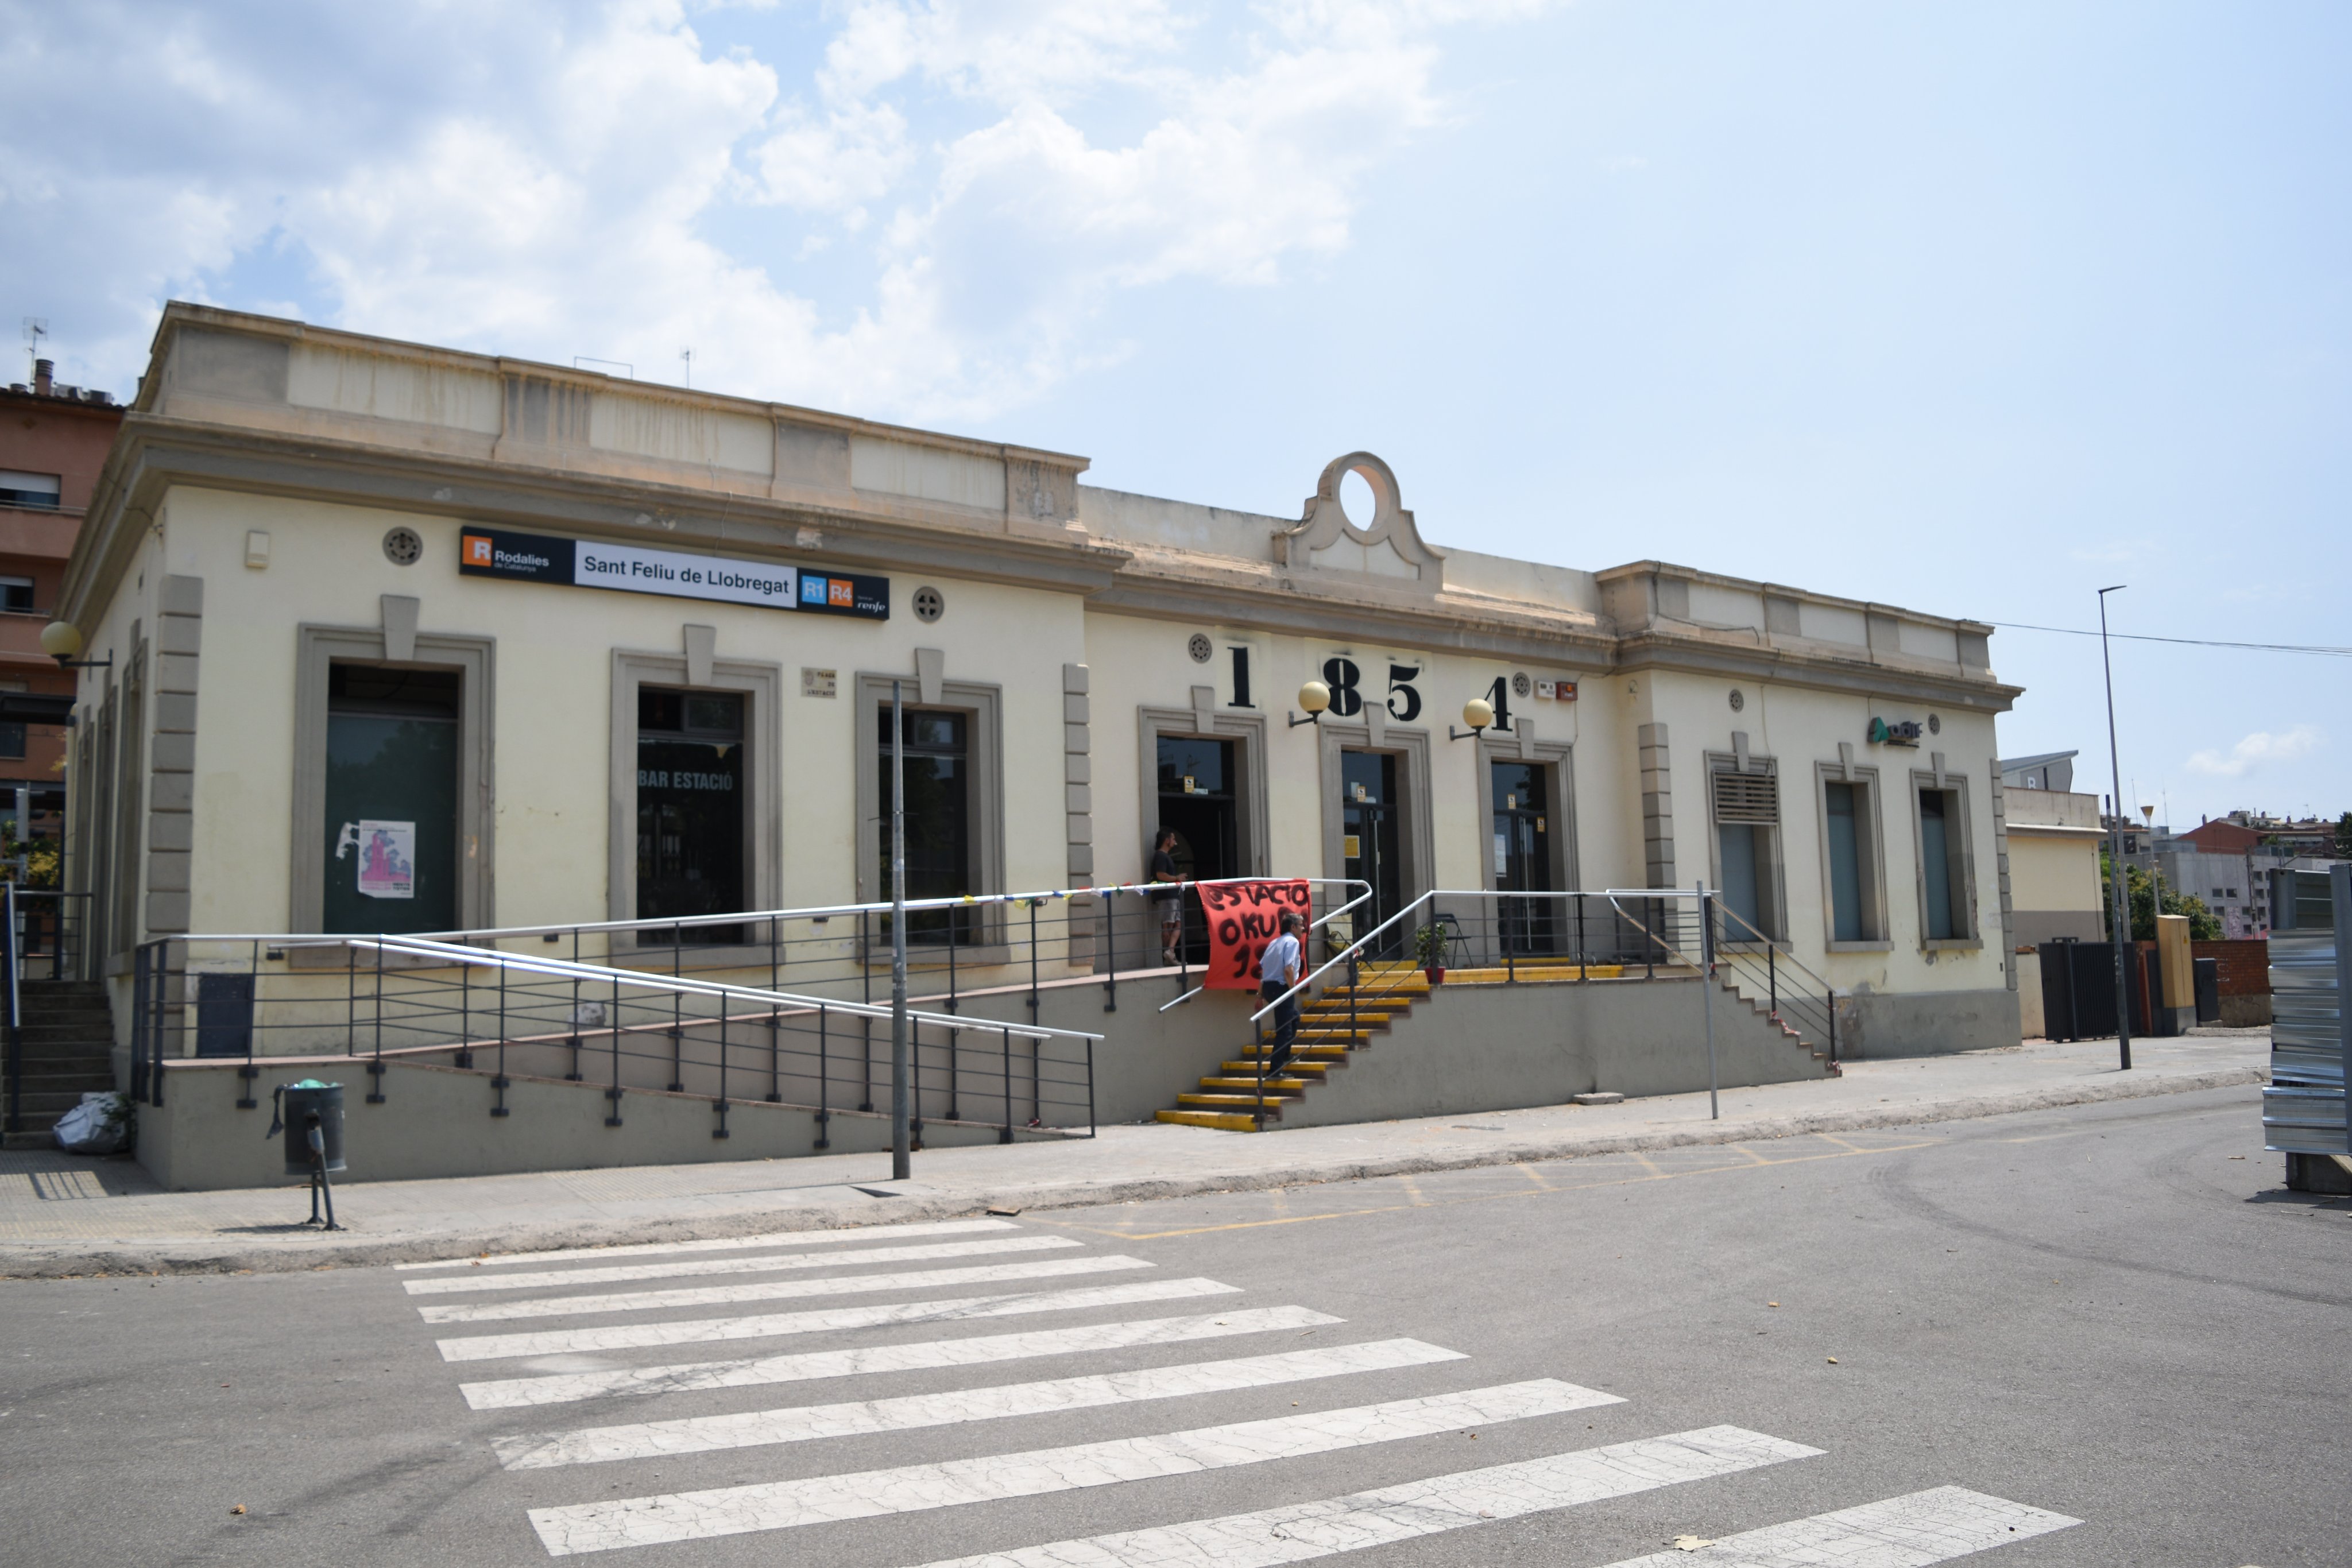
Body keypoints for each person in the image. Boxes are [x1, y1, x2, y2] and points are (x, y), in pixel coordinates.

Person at [1259, 908, 1304, 1074]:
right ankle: (1275, 1068)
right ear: (1293, 927)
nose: (1303, 929)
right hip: (1281, 987)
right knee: (1284, 1029)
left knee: (1294, 1018)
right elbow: (1288, 970)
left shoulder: (1274, 942)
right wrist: (1292, 990)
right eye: (1301, 926)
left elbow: (1264, 971)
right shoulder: (1292, 942)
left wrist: (1260, 995)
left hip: (1270, 988)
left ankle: (1285, 1055)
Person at [1148, 828, 1185, 966]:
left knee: (1177, 924)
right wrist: (1177, 878)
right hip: (1167, 896)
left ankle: (1170, 952)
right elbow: (1160, 875)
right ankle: (1167, 955)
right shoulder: (1161, 856)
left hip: (1172, 896)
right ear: (1167, 840)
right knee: (1168, 926)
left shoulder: (1164, 856)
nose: (1175, 842)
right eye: (1173, 839)